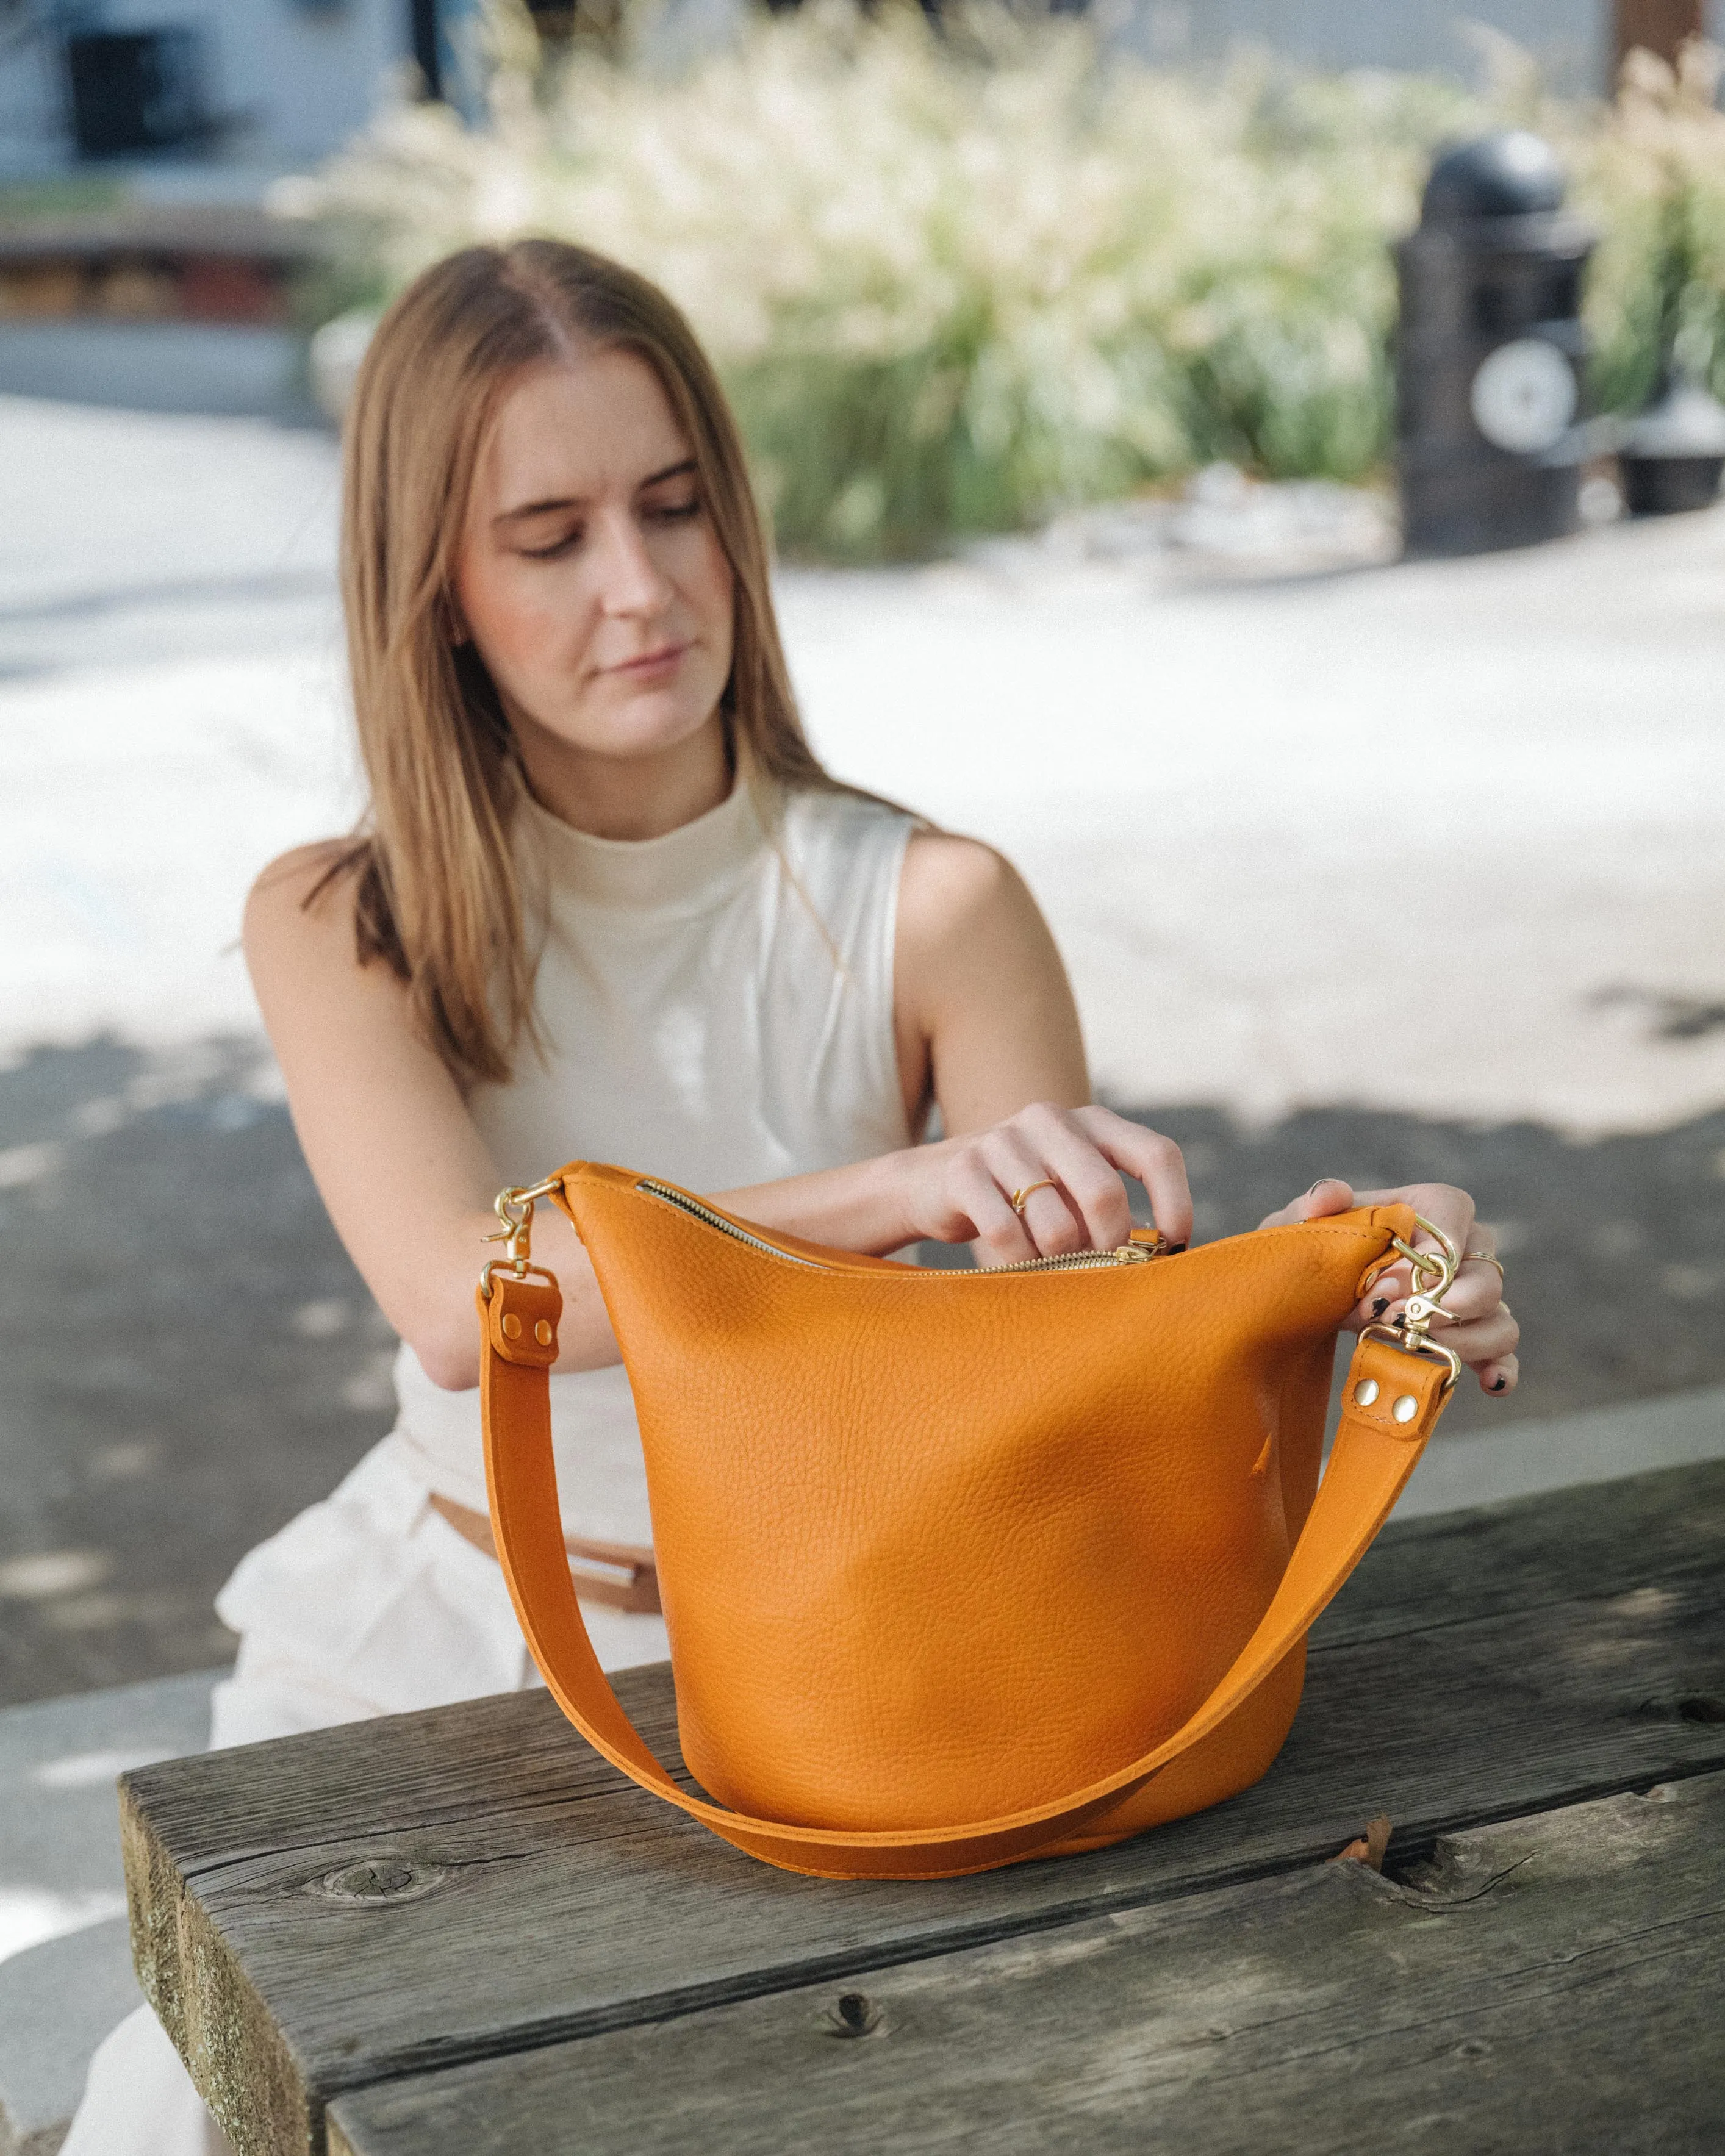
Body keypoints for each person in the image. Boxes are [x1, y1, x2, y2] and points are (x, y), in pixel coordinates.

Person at [63, 239, 1519, 2154]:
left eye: (675, 509)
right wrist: (895, 1183)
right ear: (437, 586)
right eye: (552, 533)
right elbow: (461, 1291)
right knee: (194, 2107)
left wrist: (1330, 1270)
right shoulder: (346, 917)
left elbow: (1057, 1357)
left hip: (874, 1674)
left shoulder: (933, 906)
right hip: (441, 1626)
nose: (642, 587)